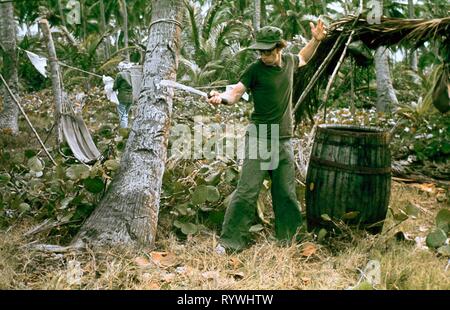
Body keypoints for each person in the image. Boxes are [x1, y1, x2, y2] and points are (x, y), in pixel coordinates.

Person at [208, 21, 327, 252]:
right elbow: (235, 93)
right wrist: (220, 98)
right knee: (247, 191)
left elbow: (304, 57)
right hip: (260, 136)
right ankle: (230, 242)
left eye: (268, 51)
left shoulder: (289, 62)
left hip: (283, 138)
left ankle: (289, 239)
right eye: (260, 51)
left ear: (279, 48)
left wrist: (316, 40)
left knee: (285, 192)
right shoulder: (254, 70)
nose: (264, 56)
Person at [113, 61, 134, 128]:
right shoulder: (132, 74)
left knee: (122, 115)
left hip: (122, 97)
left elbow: (115, 87)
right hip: (131, 97)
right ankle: (126, 129)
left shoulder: (120, 74)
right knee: (126, 114)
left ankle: (124, 130)